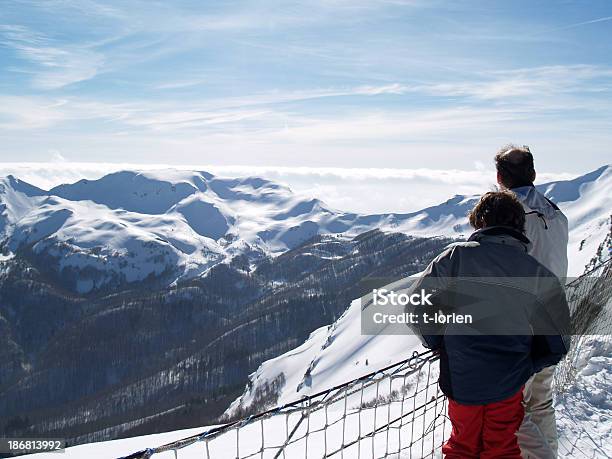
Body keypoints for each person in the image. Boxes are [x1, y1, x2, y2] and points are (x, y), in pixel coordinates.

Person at [409, 191, 569, 459]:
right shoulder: (536, 272)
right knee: (503, 446)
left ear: (480, 223)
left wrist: (440, 343)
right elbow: (559, 342)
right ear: (520, 226)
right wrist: (528, 364)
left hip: (462, 378)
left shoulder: (455, 257)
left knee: (462, 445)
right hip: (509, 381)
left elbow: (416, 308)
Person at [495, 145, 569, 458]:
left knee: (511, 405)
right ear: (534, 174)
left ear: (499, 177)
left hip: (521, 323)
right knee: (540, 399)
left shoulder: (508, 215)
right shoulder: (556, 213)